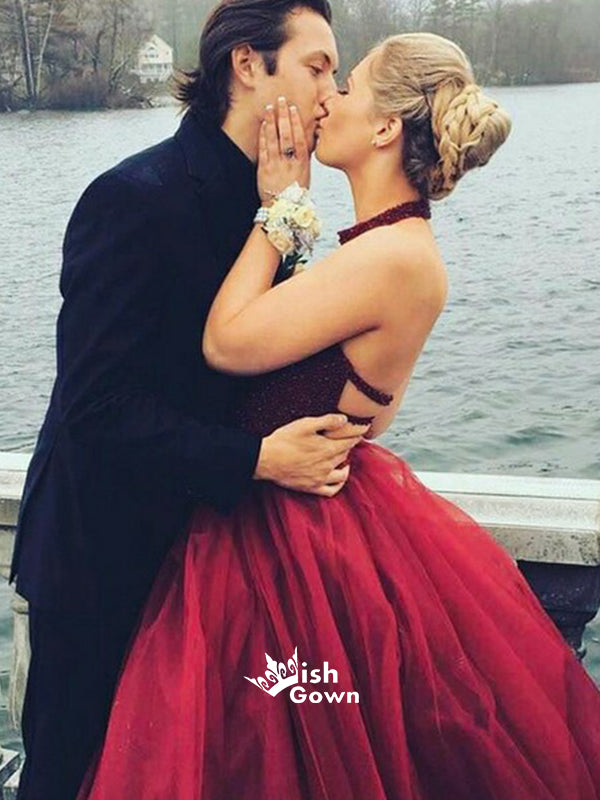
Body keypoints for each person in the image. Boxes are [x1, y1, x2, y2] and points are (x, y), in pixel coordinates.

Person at [74, 27, 600, 800]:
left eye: (346, 85)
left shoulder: (390, 257)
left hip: (285, 547)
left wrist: (281, 209)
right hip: (311, 523)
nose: (328, 100)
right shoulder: (390, 249)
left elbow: (225, 342)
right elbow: (365, 412)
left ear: (385, 127)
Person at [10, 2, 369, 799]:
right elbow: (95, 408)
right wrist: (260, 459)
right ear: (247, 66)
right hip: (99, 569)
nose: (331, 92)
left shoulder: (274, 205)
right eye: (316, 67)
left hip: (208, 568)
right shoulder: (132, 199)